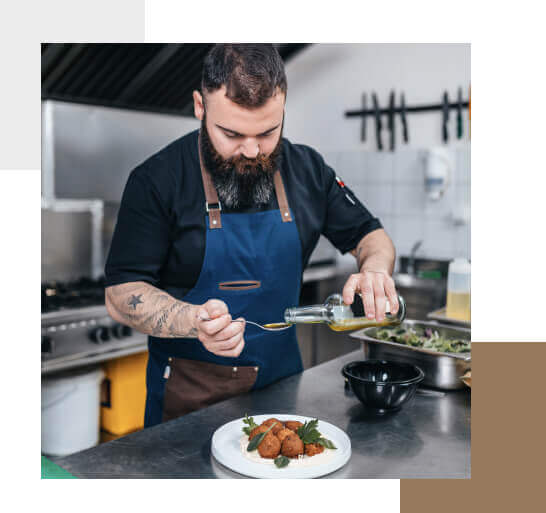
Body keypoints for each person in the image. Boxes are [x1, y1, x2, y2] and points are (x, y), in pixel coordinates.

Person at [104, 44, 399, 427]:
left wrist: (375, 270)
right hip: (189, 405)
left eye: (267, 132)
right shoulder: (156, 180)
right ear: (200, 106)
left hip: (282, 393)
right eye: (231, 133)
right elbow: (120, 294)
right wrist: (193, 320)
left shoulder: (307, 169)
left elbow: (370, 235)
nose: (251, 150)